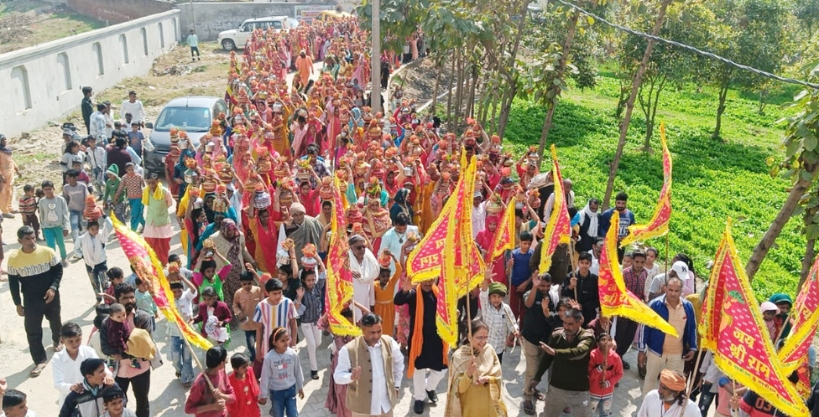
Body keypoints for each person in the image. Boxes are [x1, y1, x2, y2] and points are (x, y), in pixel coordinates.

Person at [7, 225, 64, 377]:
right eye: (27, 239)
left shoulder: (47, 252)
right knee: (32, 330)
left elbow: (58, 271)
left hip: (50, 296)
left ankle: (57, 340)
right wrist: (18, 304)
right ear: (19, 240)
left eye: (33, 237)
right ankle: (39, 360)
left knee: (55, 320)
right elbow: (13, 283)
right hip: (31, 300)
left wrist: (53, 288)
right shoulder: (14, 259)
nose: (32, 241)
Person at [394, 277, 448, 415]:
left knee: (441, 370)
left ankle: (429, 388)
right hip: (418, 340)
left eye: (431, 279)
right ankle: (419, 398)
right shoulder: (413, 294)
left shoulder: (438, 293)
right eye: (425, 280)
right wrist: (404, 290)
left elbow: (445, 311)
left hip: (437, 339)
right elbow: (398, 300)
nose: (428, 283)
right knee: (419, 370)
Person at [333, 313, 405, 417]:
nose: (376, 336)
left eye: (379, 331)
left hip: (385, 405)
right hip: (362, 408)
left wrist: (397, 386)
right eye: (372, 332)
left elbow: (399, 362)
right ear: (362, 330)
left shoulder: (389, 342)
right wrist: (350, 377)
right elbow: (338, 376)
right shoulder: (348, 349)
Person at [99, 283, 155, 417]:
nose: (130, 301)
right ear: (117, 300)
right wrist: (125, 355)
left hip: (141, 368)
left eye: (132, 297)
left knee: (142, 401)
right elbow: (105, 348)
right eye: (125, 298)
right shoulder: (107, 323)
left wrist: (122, 353)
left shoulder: (143, 318)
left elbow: (147, 346)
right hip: (119, 371)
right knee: (118, 403)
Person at [529, 307, 596, 417]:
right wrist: (537, 377)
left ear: (579, 322)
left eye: (570, 324)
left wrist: (555, 352)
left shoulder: (587, 337)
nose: (566, 327)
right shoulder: (557, 335)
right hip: (557, 387)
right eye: (564, 323)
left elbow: (579, 352)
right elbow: (547, 359)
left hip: (580, 390)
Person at [639, 276, 698, 395]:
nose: (673, 293)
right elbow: (644, 327)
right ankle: (646, 410)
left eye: (676, 291)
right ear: (665, 289)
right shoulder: (655, 305)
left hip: (677, 353)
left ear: (681, 291)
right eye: (670, 290)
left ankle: (667, 410)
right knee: (650, 380)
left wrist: (692, 347)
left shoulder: (688, 307)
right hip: (655, 351)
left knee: (674, 383)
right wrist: (641, 350)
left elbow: (692, 327)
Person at [444, 320, 507, 417]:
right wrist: (468, 374)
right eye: (479, 338)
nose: (483, 341)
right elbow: (458, 389)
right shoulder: (459, 356)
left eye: (486, 337)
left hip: (489, 406)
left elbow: (498, 376)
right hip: (470, 407)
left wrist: (488, 379)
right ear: (469, 337)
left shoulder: (489, 350)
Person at [520, 272, 558, 415]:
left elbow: (553, 315)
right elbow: (528, 304)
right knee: (531, 369)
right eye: (542, 285)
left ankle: (533, 389)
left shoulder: (550, 297)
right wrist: (535, 288)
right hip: (530, 338)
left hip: (544, 340)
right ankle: (527, 397)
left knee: (538, 369)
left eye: (547, 285)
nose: (545, 288)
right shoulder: (530, 293)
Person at [52, 322, 113, 407]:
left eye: (78, 340)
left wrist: (108, 375)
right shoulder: (57, 359)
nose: (75, 344)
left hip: (91, 398)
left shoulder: (88, 351)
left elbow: (102, 366)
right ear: (62, 340)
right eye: (70, 341)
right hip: (71, 401)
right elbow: (58, 383)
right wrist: (71, 387)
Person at [253, 279, 299, 372]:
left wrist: (293, 344)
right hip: (268, 346)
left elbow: (293, 325)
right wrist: (258, 351)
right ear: (267, 293)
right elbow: (259, 330)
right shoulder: (261, 306)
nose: (278, 296)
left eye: (280, 292)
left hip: (286, 345)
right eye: (274, 293)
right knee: (271, 371)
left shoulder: (288, 303)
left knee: (286, 370)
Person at [258, 327, 305, 417]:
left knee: (293, 414)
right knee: (278, 414)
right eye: (282, 341)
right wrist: (263, 394)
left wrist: (300, 387)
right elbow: (265, 377)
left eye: (288, 339)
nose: (286, 342)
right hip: (276, 392)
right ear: (275, 342)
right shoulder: (269, 358)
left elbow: (298, 371)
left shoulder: (293, 354)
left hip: (291, 389)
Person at [615, 250, 647, 370]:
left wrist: (644, 298)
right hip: (625, 310)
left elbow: (642, 289)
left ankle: (620, 357)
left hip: (636, 310)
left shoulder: (644, 273)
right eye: (637, 262)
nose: (639, 264)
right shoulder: (625, 274)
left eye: (642, 262)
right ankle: (615, 360)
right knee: (620, 336)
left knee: (629, 336)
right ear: (632, 261)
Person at [185, 346, 237, 417]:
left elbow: (233, 397)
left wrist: (222, 396)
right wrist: (213, 406)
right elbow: (188, 409)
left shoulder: (222, 372)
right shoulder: (200, 383)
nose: (227, 359)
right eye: (226, 357)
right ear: (221, 363)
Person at [297, 258, 326, 380]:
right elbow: (296, 309)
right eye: (309, 280)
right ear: (303, 280)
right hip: (306, 323)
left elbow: (323, 272)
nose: (311, 282)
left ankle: (311, 353)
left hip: (317, 321)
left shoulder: (317, 287)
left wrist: (317, 257)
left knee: (318, 343)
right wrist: (299, 298)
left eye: (313, 279)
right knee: (312, 344)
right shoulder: (301, 291)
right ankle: (314, 369)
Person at [478, 278, 519, 364]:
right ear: (489, 297)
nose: (496, 299)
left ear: (503, 297)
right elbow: (483, 294)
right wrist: (485, 279)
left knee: (496, 369)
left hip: (499, 347)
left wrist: (515, 330)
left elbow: (512, 322)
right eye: (494, 296)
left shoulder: (506, 309)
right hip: (486, 346)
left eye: (499, 297)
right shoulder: (486, 308)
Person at [167, 277, 197, 388]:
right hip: (175, 331)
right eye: (174, 292)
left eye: (179, 291)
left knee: (187, 356)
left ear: (182, 290)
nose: (177, 293)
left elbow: (193, 289)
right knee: (175, 355)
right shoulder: (168, 299)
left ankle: (186, 378)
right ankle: (179, 370)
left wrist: (181, 277)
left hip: (188, 331)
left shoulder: (186, 296)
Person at [588, 333, 623, 417]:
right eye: (603, 340)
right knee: (590, 413)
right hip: (594, 392)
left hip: (608, 393)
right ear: (597, 343)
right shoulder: (593, 355)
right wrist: (599, 368)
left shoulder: (615, 357)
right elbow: (590, 375)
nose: (606, 342)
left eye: (609, 340)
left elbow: (619, 373)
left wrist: (608, 383)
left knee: (605, 413)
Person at [142, 172, 174, 263]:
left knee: (163, 245)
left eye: (153, 182)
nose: (151, 185)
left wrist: (161, 212)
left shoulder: (165, 192)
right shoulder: (146, 191)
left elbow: (170, 203)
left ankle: (163, 263)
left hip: (162, 222)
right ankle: (151, 263)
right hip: (150, 221)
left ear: (158, 181)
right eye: (149, 183)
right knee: (149, 244)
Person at [233, 270, 264, 363]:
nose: (247, 286)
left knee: (260, 342)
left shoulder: (258, 290)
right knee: (251, 344)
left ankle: (260, 357)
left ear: (253, 281)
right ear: (241, 283)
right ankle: (253, 358)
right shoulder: (238, 293)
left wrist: (254, 273)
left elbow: (264, 286)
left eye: (249, 283)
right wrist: (239, 313)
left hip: (258, 324)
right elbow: (235, 305)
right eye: (244, 284)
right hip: (247, 325)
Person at [562, 251, 600, 324]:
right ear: (578, 263)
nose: (584, 266)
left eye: (586, 263)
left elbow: (597, 300)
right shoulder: (570, 277)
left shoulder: (595, 279)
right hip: (571, 313)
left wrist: (583, 306)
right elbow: (563, 295)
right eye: (582, 263)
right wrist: (570, 286)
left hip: (588, 315)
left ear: (590, 264)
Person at [597, 192, 635, 261]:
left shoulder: (630, 215)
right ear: (615, 202)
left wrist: (626, 238)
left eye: (623, 203)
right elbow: (601, 229)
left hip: (621, 245)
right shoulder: (607, 214)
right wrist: (610, 237)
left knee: (618, 263)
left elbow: (632, 229)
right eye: (619, 203)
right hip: (609, 245)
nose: (620, 205)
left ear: (626, 203)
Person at [38, 180, 70, 263]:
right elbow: (41, 214)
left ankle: (64, 258)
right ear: (43, 190)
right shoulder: (42, 201)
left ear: (53, 189)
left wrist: (66, 227)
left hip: (59, 226)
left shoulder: (60, 200)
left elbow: (65, 213)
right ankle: (53, 260)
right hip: (47, 227)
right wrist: (43, 227)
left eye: (50, 189)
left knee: (61, 243)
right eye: (46, 189)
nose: (48, 191)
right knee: (50, 245)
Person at [348, 234, 377, 321]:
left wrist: (372, 303)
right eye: (358, 248)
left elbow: (371, 282)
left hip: (365, 302)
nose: (362, 250)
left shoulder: (368, 260)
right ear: (351, 248)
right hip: (351, 303)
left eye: (363, 247)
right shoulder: (346, 262)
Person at [507, 231, 534, 325]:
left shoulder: (532, 254)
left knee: (524, 311)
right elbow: (507, 272)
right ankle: (512, 330)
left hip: (527, 287)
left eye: (529, 243)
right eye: (525, 243)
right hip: (515, 285)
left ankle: (522, 331)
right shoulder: (513, 254)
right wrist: (509, 266)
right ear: (520, 242)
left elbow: (534, 273)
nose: (527, 246)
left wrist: (525, 283)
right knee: (513, 310)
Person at [114, 163, 145, 232]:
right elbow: (121, 188)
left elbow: (144, 187)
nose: (131, 171)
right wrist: (116, 196)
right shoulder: (124, 178)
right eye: (129, 170)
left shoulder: (139, 177)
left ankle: (132, 230)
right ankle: (145, 225)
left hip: (139, 198)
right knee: (138, 214)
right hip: (131, 198)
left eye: (132, 169)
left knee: (134, 214)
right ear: (126, 170)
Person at [0, 134, 20, 218]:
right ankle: (5, 211)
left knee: (10, 191)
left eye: (5, 140)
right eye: (2, 140)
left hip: (11, 174)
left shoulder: (7, 150)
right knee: (4, 193)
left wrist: (17, 170)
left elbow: (11, 160)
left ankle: (10, 208)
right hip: (3, 175)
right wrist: (1, 175)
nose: (5, 141)